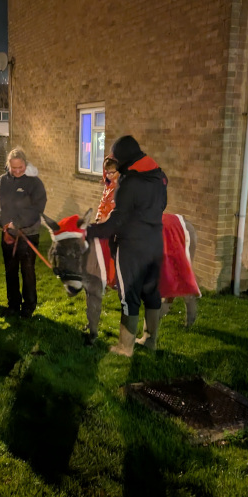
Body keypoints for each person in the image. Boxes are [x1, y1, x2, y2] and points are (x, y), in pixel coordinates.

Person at [84, 135, 167, 356]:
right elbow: (162, 205)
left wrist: (91, 231)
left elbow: (117, 220)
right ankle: (150, 340)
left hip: (131, 247)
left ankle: (125, 347)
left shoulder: (129, 183)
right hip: (155, 242)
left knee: (128, 294)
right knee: (151, 291)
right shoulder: (159, 176)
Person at [0, 147, 47, 318]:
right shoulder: (1, 181)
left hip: (28, 234)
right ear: (9, 166)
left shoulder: (35, 183)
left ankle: (29, 307)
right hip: (8, 234)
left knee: (27, 271)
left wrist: (18, 223)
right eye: (14, 168)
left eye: (20, 167)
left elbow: (37, 209)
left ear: (25, 164)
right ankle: (13, 304)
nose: (17, 171)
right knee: (10, 270)